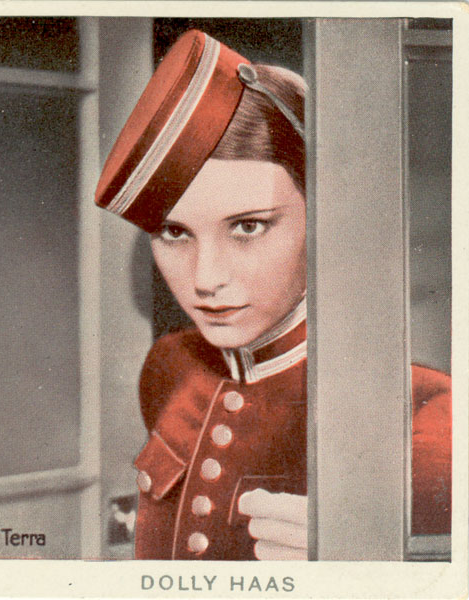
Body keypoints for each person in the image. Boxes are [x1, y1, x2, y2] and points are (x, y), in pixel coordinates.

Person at [95, 30, 451, 560]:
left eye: (248, 226)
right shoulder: (169, 369)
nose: (205, 279)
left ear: (324, 218)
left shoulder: (424, 410)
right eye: (174, 232)